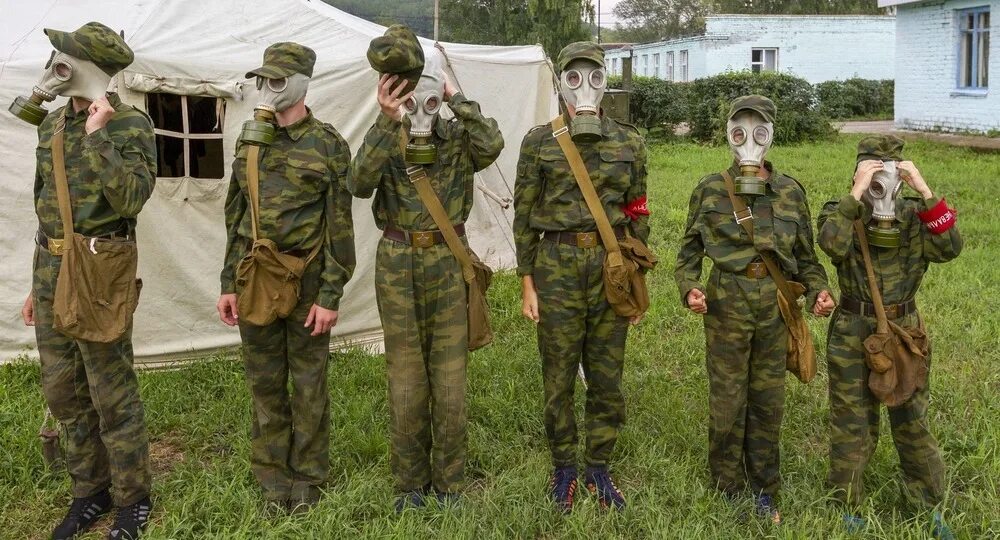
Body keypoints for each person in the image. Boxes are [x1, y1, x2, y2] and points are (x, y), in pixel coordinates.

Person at [347, 30, 504, 512]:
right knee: (406, 377)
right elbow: (357, 182)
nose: (413, 99)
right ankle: (410, 485)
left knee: (450, 378)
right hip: (397, 261)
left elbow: (492, 143)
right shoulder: (386, 135)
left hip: (446, 259)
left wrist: (455, 99)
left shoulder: (456, 137)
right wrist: (384, 120)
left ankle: (450, 484)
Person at [14, 21, 157, 540]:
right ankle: (88, 491)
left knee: (110, 391)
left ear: (91, 66)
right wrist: (39, 283)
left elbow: (132, 200)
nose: (57, 59)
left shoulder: (130, 126)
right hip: (52, 266)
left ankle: (132, 499)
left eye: (67, 54)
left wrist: (99, 136)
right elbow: (48, 207)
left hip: (99, 270)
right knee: (64, 392)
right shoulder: (52, 124)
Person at [673, 95, 834, 523]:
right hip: (727, 302)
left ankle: (764, 487)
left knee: (767, 400)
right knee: (728, 399)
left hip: (775, 307)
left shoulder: (790, 192)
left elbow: (807, 257)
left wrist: (819, 290)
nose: (749, 141)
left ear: (771, 136)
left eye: (758, 131)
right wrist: (690, 288)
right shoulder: (710, 188)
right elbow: (689, 251)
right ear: (729, 134)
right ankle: (727, 485)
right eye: (739, 130)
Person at [217, 42, 355, 512]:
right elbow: (235, 216)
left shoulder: (328, 144)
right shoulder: (250, 139)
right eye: (262, 80)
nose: (267, 89)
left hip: (307, 279)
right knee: (264, 380)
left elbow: (341, 228)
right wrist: (227, 284)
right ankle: (272, 477)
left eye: (277, 80)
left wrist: (330, 294)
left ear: (300, 83)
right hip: (256, 275)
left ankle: (309, 478)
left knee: (310, 381)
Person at [514, 41, 649, 513]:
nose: (584, 88)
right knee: (558, 374)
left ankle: (598, 465)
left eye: (593, 76)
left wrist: (634, 280)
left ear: (606, 81)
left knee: (608, 375)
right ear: (561, 84)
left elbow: (637, 213)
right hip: (556, 265)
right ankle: (564, 467)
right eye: (574, 78)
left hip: (610, 269)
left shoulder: (628, 141)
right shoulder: (539, 142)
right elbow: (525, 215)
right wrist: (528, 282)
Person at [817, 135, 961, 539]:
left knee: (912, 418)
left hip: (904, 330)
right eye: (873, 173)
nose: (883, 184)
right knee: (852, 421)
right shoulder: (841, 211)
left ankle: (928, 504)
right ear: (859, 172)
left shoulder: (917, 215)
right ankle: (847, 506)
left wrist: (926, 193)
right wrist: (857, 194)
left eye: (889, 175)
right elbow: (832, 244)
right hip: (852, 327)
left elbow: (949, 248)